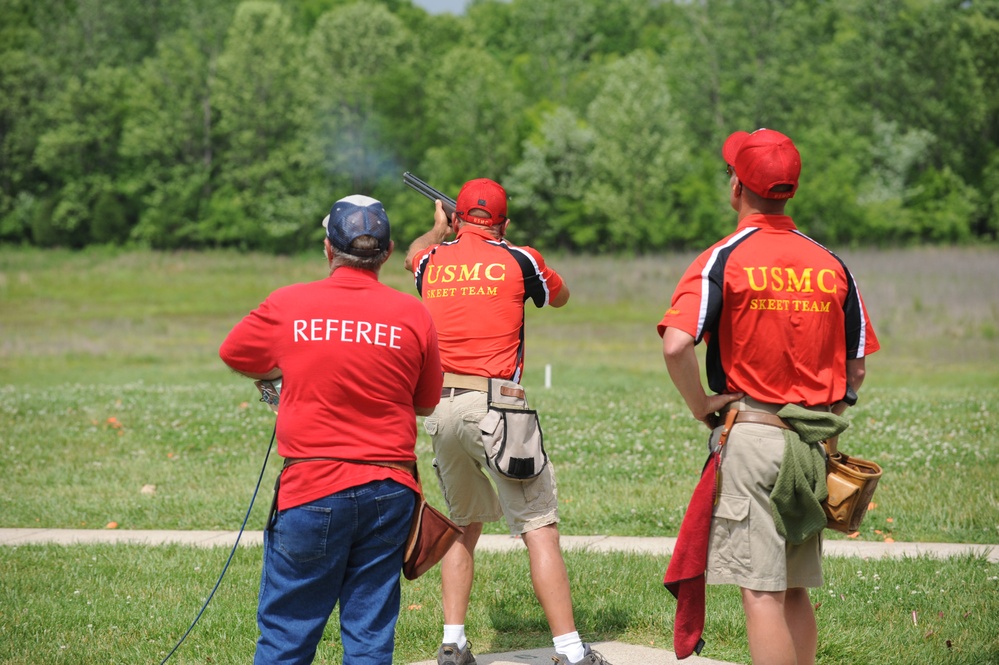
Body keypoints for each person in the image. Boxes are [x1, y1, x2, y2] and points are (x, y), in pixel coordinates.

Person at [657, 129, 880, 665]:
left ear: (736, 186)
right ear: (790, 190)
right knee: (795, 589)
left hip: (755, 438)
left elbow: (676, 344)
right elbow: (857, 367)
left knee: (761, 591)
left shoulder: (723, 259)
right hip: (811, 447)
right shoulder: (830, 263)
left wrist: (702, 404)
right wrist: (831, 409)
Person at [219, 195, 444, 665]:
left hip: (311, 490)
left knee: (287, 639)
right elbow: (424, 402)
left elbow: (235, 352)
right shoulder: (414, 313)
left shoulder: (288, 303)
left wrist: (278, 379)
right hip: (390, 490)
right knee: (369, 637)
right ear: (387, 252)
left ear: (328, 249)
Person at [404, 178, 612, 665]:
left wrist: (438, 231)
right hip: (497, 407)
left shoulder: (432, 260)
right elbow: (558, 297)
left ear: (455, 218)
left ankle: (452, 642)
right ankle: (570, 651)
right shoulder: (522, 258)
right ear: (504, 221)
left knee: (462, 524)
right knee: (539, 526)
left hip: (440, 409)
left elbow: (413, 254)